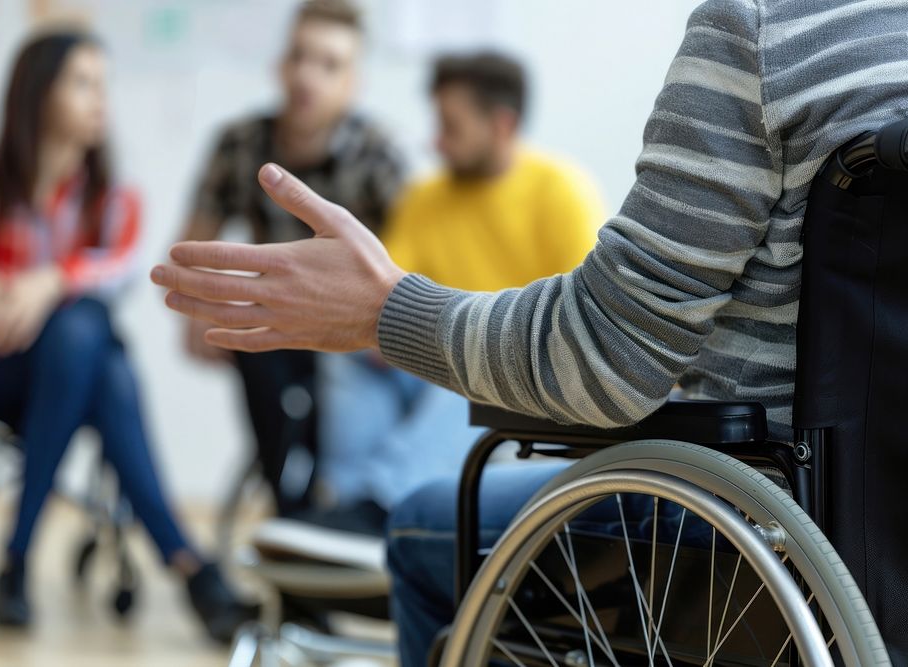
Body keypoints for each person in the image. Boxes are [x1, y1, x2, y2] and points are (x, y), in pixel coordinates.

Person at [152, 0, 908, 662]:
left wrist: (387, 311)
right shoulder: (422, 196)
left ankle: (368, 508)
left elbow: (608, 355)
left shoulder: (766, 35)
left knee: (425, 524)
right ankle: (343, 498)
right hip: (886, 529)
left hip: (774, 528)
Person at [0, 30, 252, 642]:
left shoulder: (115, 199)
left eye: (104, 85)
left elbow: (123, 269)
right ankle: (188, 564)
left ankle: (16, 557)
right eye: (84, 84)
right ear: (37, 95)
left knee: (85, 342)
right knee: (102, 361)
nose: (102, 100)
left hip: (62, 376)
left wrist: (49, 281)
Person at [315, 51, 605, 526]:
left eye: (451, 126)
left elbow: (580, 323)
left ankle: (381, 504)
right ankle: (343, 502)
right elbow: (386, 290)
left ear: (502, 124)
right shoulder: (425, 199)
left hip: (517, 377)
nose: (437, 141)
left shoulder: (560, 193)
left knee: (472, 359)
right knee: (348, 354)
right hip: (431, 370)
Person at [178, 0, 405, 517]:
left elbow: (410, 257)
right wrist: (197, 311)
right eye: (299, 56)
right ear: (280, 65)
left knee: (338, 430)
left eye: (329, 64)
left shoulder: (379, 153)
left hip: (355, 330)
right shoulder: (238, 144)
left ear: (354, 82)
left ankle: (326, 513)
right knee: (264, 385)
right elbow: (195, 238)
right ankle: (288, 511)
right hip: (275, 327)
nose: (307, 75)